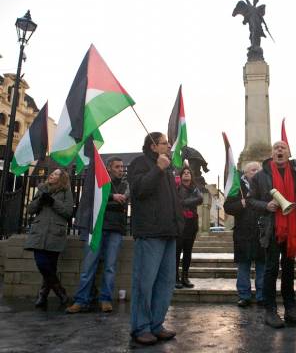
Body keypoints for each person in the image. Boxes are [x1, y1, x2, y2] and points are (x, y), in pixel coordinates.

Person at [248, 116, 296, 328]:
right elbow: (250, 201)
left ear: (288, 153)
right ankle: (270, 310)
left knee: (289, 270)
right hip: (273, 228)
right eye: (276, 148)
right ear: (272, 154)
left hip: (292, 227)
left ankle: (291, 309)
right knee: (272, 269)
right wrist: (267, 206)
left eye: (283, 147)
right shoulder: (260, 176)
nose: (279, 150)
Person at [128, 132, 184, 346]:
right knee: (145, 282)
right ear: (153, 146)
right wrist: (157, 168)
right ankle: (140, 327)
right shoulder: (139, 163)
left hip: (169, 232)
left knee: (166, 282)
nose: (169, 146)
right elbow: (139, 190)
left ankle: (156, 324)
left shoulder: (168, 169)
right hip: (150, 232)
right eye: (164, 143)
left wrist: (179, 223)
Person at [66, 157, 129, 314]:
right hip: (96, 228)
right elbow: (92, 200)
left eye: (122, 167)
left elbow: (124, 199)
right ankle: (81, 300)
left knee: (110, 267)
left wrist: (106, 200)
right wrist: (112, 197)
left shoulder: (126, 184)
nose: (121, 169)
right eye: (117, 167)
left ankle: (105, 299)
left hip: (115, 228)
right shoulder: (99, 183)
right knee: (88, 266)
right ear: (108, 168)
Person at [24, 168, 73, 308]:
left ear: (62, 178)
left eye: (56, 173)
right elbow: (30, 209)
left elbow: (68, 212)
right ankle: (60, 292)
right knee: (42, 264)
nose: (52, 174)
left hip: (55, 233)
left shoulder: (66, 192)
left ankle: (43, 296)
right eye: (52, 173)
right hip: (39, 233)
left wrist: (52, 202)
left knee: (50, 267)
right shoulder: (42, 189)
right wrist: (40, 200)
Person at [224, 162, 265, 307]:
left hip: (262, 232)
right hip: (243, 232)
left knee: (262, 265)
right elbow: (227, 207)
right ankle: (244, 295)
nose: (256, 172)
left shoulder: (266, 184)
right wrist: (240, 204)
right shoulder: (237, 187)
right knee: (243, 266)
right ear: (245, 173)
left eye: (258, 170)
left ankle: (262, 295)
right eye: (253, 170)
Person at [176, 167, 203, 289]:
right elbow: (177, 202)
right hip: (180, 224)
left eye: (188, 173)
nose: (186, 174)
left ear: (191, 176)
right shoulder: (177, 187)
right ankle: (175, 278)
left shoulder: (195, 189)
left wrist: (185, 202)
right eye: (184, 173)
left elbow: (200, 199)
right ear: (181, 176)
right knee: (177, 252)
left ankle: (185, 277)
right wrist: (189, 201)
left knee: (188, 252)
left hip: (191, 224)